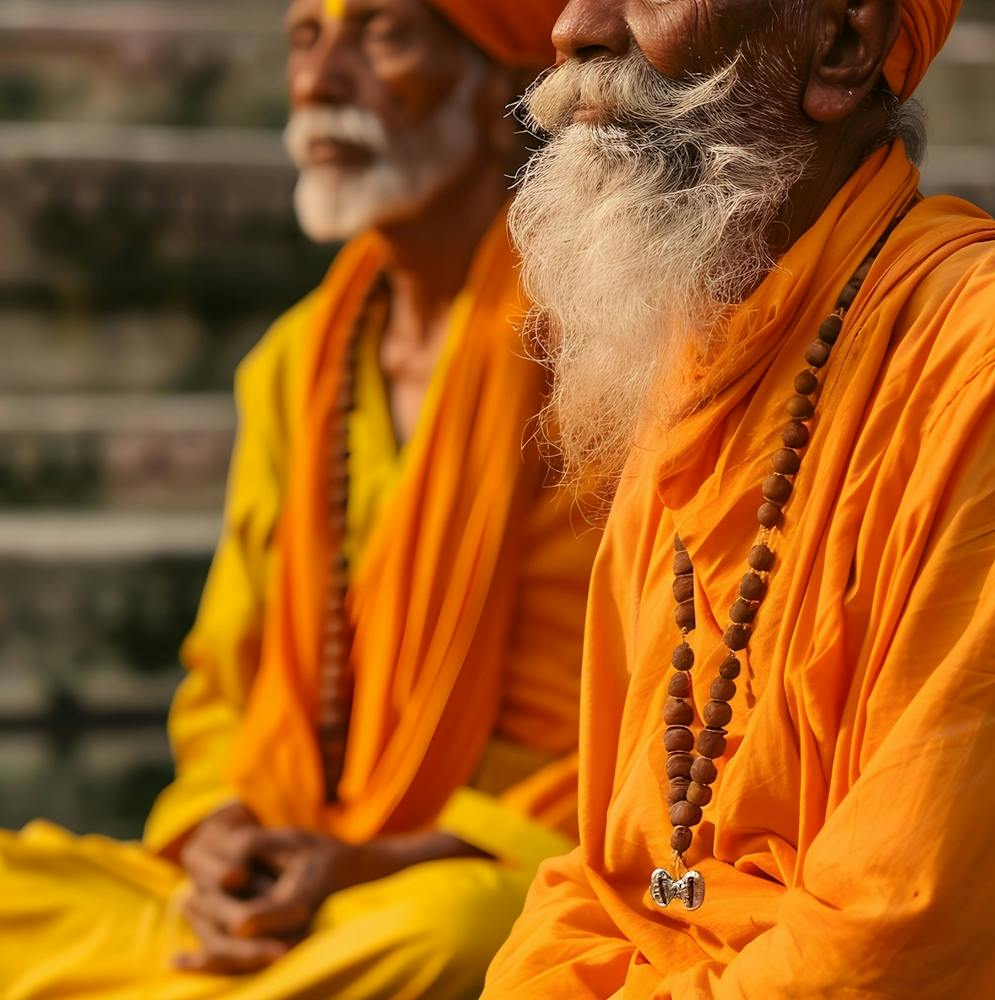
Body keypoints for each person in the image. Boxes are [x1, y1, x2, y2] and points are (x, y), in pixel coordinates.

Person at [0, 1, 598, 997]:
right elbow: (221, 690)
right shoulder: (293, 365)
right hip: (292, 866)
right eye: (305, 38)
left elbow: (625, 726)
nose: (318, 82)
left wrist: (374, 862)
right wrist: (221, 838)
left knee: (458, 932)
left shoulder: (594, 354)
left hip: (466, 866)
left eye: (382, 34)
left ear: (506, 92)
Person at [483, 0, 995, 995]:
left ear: (840, 46)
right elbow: (607, 873)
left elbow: (899, 932)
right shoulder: (696, 358)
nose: (575, 27)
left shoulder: (975, 366)